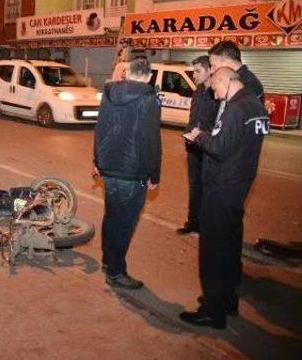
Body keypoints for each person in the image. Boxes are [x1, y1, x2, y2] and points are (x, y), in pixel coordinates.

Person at [181, 67, 269, 329]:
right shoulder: (254, 103)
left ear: (226, 81)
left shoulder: (235, 109)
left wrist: (200, 137)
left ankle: (212, 310)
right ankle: (226, 300)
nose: (217, 96)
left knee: (213, 251)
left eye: (216, 90)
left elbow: (219, 147)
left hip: (221, 187)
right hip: (239, 185)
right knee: (229, 248)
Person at [93, 57, 162, 289]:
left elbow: (100, 128)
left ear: (128, 72)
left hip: (110, 167)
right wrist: (155, 175)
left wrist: (97, 161)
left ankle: (107, 260)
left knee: (112, 216)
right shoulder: (149, 99)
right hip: (133, 171)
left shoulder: (109, 93)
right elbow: (153, 140)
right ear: (148, 75)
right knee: (125, 222)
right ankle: (116, 271)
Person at [177, 56, 217, 235]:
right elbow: (193, 117)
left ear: (210, 70)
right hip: (193, 146)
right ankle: (193, 222)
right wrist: (188, 134)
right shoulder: (198, 91)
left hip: (209, 148)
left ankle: (208, 225)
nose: (194, 75)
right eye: (194, 71)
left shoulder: (218, 93)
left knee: (210, 188)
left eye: (198, 71)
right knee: (195, 187)